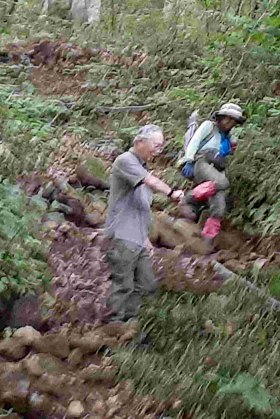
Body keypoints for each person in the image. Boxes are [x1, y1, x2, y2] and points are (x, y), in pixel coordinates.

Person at [103, 125, 186, 323]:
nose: (158, 151)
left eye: (161, 147)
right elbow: (151, 182)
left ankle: (131, 325)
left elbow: (140, 207)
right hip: (122, 235)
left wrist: (145, 238)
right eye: (156, 146)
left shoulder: (140, 167)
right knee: (123, 284)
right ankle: (113, 328)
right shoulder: (125, 161)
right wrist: (171, 192)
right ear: (140, 142)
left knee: (147, 285)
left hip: (137, 237)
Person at [178, 102, 246, 248]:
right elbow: (195, 142)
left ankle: (208, 237)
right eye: (227, 118)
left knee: (219, 204)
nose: (229, 122)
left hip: (216, 169)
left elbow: (226, 157)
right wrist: (188, 160)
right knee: (223, 183)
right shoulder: (209, 126)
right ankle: (188, 198)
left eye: (233, 120)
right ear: (220, 117)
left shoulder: (230, 137)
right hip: (201, 162)